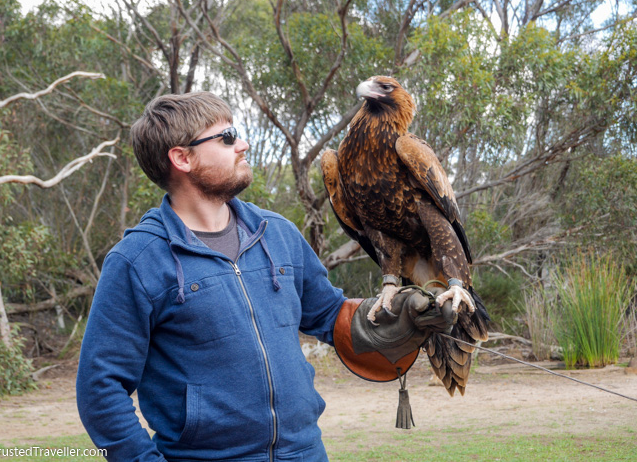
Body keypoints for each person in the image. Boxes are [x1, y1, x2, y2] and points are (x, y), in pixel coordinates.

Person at [76, 92, 455, 461]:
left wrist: (389, 316)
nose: (241, 144)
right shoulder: (137, 261)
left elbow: (328, 314)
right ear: (182, 158)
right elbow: (100, 390)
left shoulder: (277, 233)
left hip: (306, 452)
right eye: (226, 137)